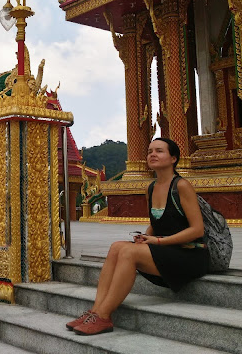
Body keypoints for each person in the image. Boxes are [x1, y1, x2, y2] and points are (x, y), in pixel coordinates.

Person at [66, 137, 209, 336]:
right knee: (117, 246)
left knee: (129, 254)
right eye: (150, 151)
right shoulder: (150, 188)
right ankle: (95, 311)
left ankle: (104, 316)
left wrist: (158, 241)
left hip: (191, 255)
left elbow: (197, 230)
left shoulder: (181, 186)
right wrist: (146, 236)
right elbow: (158, 221)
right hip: (166, 250)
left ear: (173, 158)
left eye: (159, 151)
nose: (152, 154)